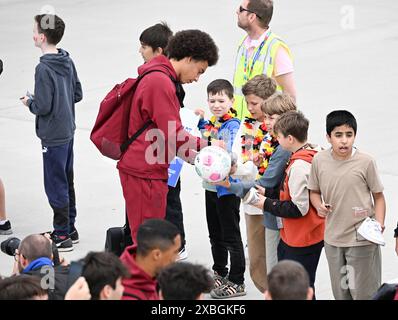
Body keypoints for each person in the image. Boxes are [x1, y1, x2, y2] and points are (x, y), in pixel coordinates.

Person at [117, 29, 221, 242]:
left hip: (149, 168)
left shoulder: (162, 78)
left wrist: (197, 158)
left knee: (151, 239)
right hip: (144, 171)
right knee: (148, 241)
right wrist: (210, 145)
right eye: (199, 71)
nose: (197, 78)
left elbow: (166, 136)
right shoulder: (160, 82)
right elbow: (174, 135)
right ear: (189, 59)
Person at [20, 14, 83, 252]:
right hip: (68, 129)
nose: (32, 34)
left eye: (35, 31)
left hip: (53, 134)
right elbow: (77, 94)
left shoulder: (43, 68)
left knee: (54, 182)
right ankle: (70, 227)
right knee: (67, 179)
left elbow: (43, 106)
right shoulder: (66, 60)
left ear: (42, 37)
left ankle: (61, 233)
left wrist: (30, 102)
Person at [221, 91, 295, 293]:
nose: (266, 120)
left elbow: (266, 181)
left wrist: (231, 183)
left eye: (271, 117)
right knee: (263, 262)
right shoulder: (271, 140)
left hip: (275, 212)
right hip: (263, 207)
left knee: (274, 266)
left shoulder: (282, 147)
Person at [308, 110, 386, 300]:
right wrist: (318, 205)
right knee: (342, 294)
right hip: (333, 241)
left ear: (355, 136)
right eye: (338, 135)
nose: (344, 141)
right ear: (328, 137)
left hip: (362, 240)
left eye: (349, 135)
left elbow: (379, 197)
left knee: (365, 294)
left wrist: (379, 224)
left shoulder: (366, 162)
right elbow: (314, 191)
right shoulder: (319, 160)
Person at [252, 111, 324, 297]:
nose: (277, 140)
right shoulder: (313, 153)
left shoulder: (299, 167)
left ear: (290, 138)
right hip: (306, 234)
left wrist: (266, 203)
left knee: (300, 287)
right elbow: (295, 193)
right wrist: (269, 193)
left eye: (279, 137)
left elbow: (299, 208)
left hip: (301, 238)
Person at [139, 22, 187, 259]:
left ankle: (177, 243)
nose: (140, 51)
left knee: (170, 199)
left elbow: (171, 126)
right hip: (163, 149)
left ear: (159, 50)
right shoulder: (160, 77)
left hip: (166, 153)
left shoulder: (165, 81)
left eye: (144, 46)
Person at [195, 79, 245, 298]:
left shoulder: (232, 125)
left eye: (221, 100)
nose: (216, 104)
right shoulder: (214, 122)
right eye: (212, 100)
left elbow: (225, 146)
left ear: (231, 101)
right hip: (210, 187)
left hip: (226, 189)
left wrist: (211, 140)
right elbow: (207, 134)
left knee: (230, 234)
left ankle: (237, 280)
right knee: (215, 233)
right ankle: (219, 271)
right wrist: (200, 121)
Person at [233, 0, 296, 120]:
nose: (237, 11)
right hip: (241, 126)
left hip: (265, 129)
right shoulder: (242, 44)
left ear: (252, 17)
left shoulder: (276, 48)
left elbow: (290, 96)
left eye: (241, 9)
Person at [120, 219, 181, 300]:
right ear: (156, 255)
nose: (178, 257)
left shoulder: (135, 261)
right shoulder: (126, 294)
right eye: (175, 252)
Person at [12, 234, 70, 300]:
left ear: (22, 260)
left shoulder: (17, 288)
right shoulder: (74, 279)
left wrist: (16, 266)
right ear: (51, 257)